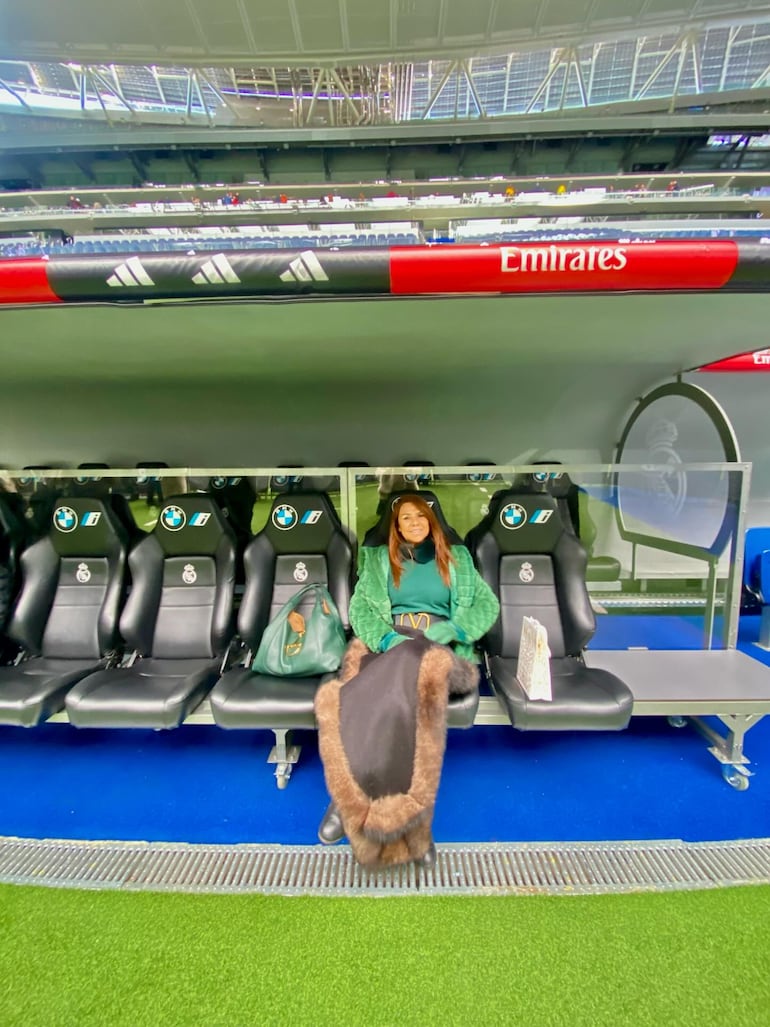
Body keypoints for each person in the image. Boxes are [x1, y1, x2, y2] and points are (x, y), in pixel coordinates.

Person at [314, 494, 499, 870]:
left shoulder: (458, 559)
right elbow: (361, 608)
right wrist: (385, 640)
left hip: (443, 653)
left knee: (388, 689)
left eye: (420, 516)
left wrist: (453, 628)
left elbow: (487, 605)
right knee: (403, 708)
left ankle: (346, 801)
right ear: (395, 527)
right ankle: (415, 830)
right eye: (405, 518)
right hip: (391, 645)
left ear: (432, 519)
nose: (414, 522)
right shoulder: (381, 559)